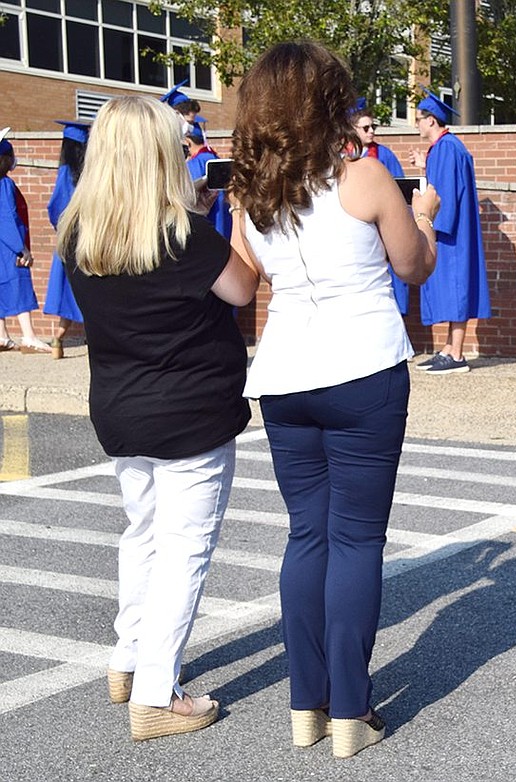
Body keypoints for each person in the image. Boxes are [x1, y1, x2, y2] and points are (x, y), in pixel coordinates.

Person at [230, 41, 439, 759]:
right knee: (355, 539)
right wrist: (429, 218)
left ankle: (304, 705)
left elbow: (243, 280)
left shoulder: (251, 191)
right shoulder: (366, 176)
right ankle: (350, 710)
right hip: (362, 368)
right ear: (328, 100)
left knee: (306, 536)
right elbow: (413, 265)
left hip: (285, 374)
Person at [56, 96, 258, 740]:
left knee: (142, 533)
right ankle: (155, 693)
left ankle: (127, 659)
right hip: (190, 409)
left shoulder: (80, 231)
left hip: (119, 407)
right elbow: (243, 287)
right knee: (183, 550)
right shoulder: (184, 234)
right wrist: (241, 218)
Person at [407, 89, 490, 374]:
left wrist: (429, 226)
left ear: (431, 121)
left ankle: (456, 354)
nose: (416, 124)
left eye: (419, 119)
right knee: (455, 289)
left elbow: (446, 196)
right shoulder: (446, 148)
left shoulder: (448, 149)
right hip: (453, 232)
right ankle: (448, 348)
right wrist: (426, 165)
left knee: (456, 288)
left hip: (451, 234)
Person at [350, 99, 410, 314]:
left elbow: (401, 193)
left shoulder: (385, 156)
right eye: (365, 128)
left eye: (373, 127)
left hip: (383, 229)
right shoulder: (342, 157)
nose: (371, 131)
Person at [0, 128, 52, 353]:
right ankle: (29, 336)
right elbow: (8, 217)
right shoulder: (5, 184)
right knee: (19, 284)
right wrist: (21, 248)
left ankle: (2, 336)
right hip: (8, 246)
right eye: (11, 156)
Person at [43, 121, 90, 359]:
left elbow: (55, 207)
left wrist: (62, 228)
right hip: (91, 237)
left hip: (69, 238)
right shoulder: (93, 171)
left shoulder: (64, 173)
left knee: (71, 290)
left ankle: (57, 340)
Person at [184, 121, 232, 239]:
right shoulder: (215, 158)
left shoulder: (195, 163)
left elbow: (190, 194)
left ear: (188, 142)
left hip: (208, 221)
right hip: (224, 219)